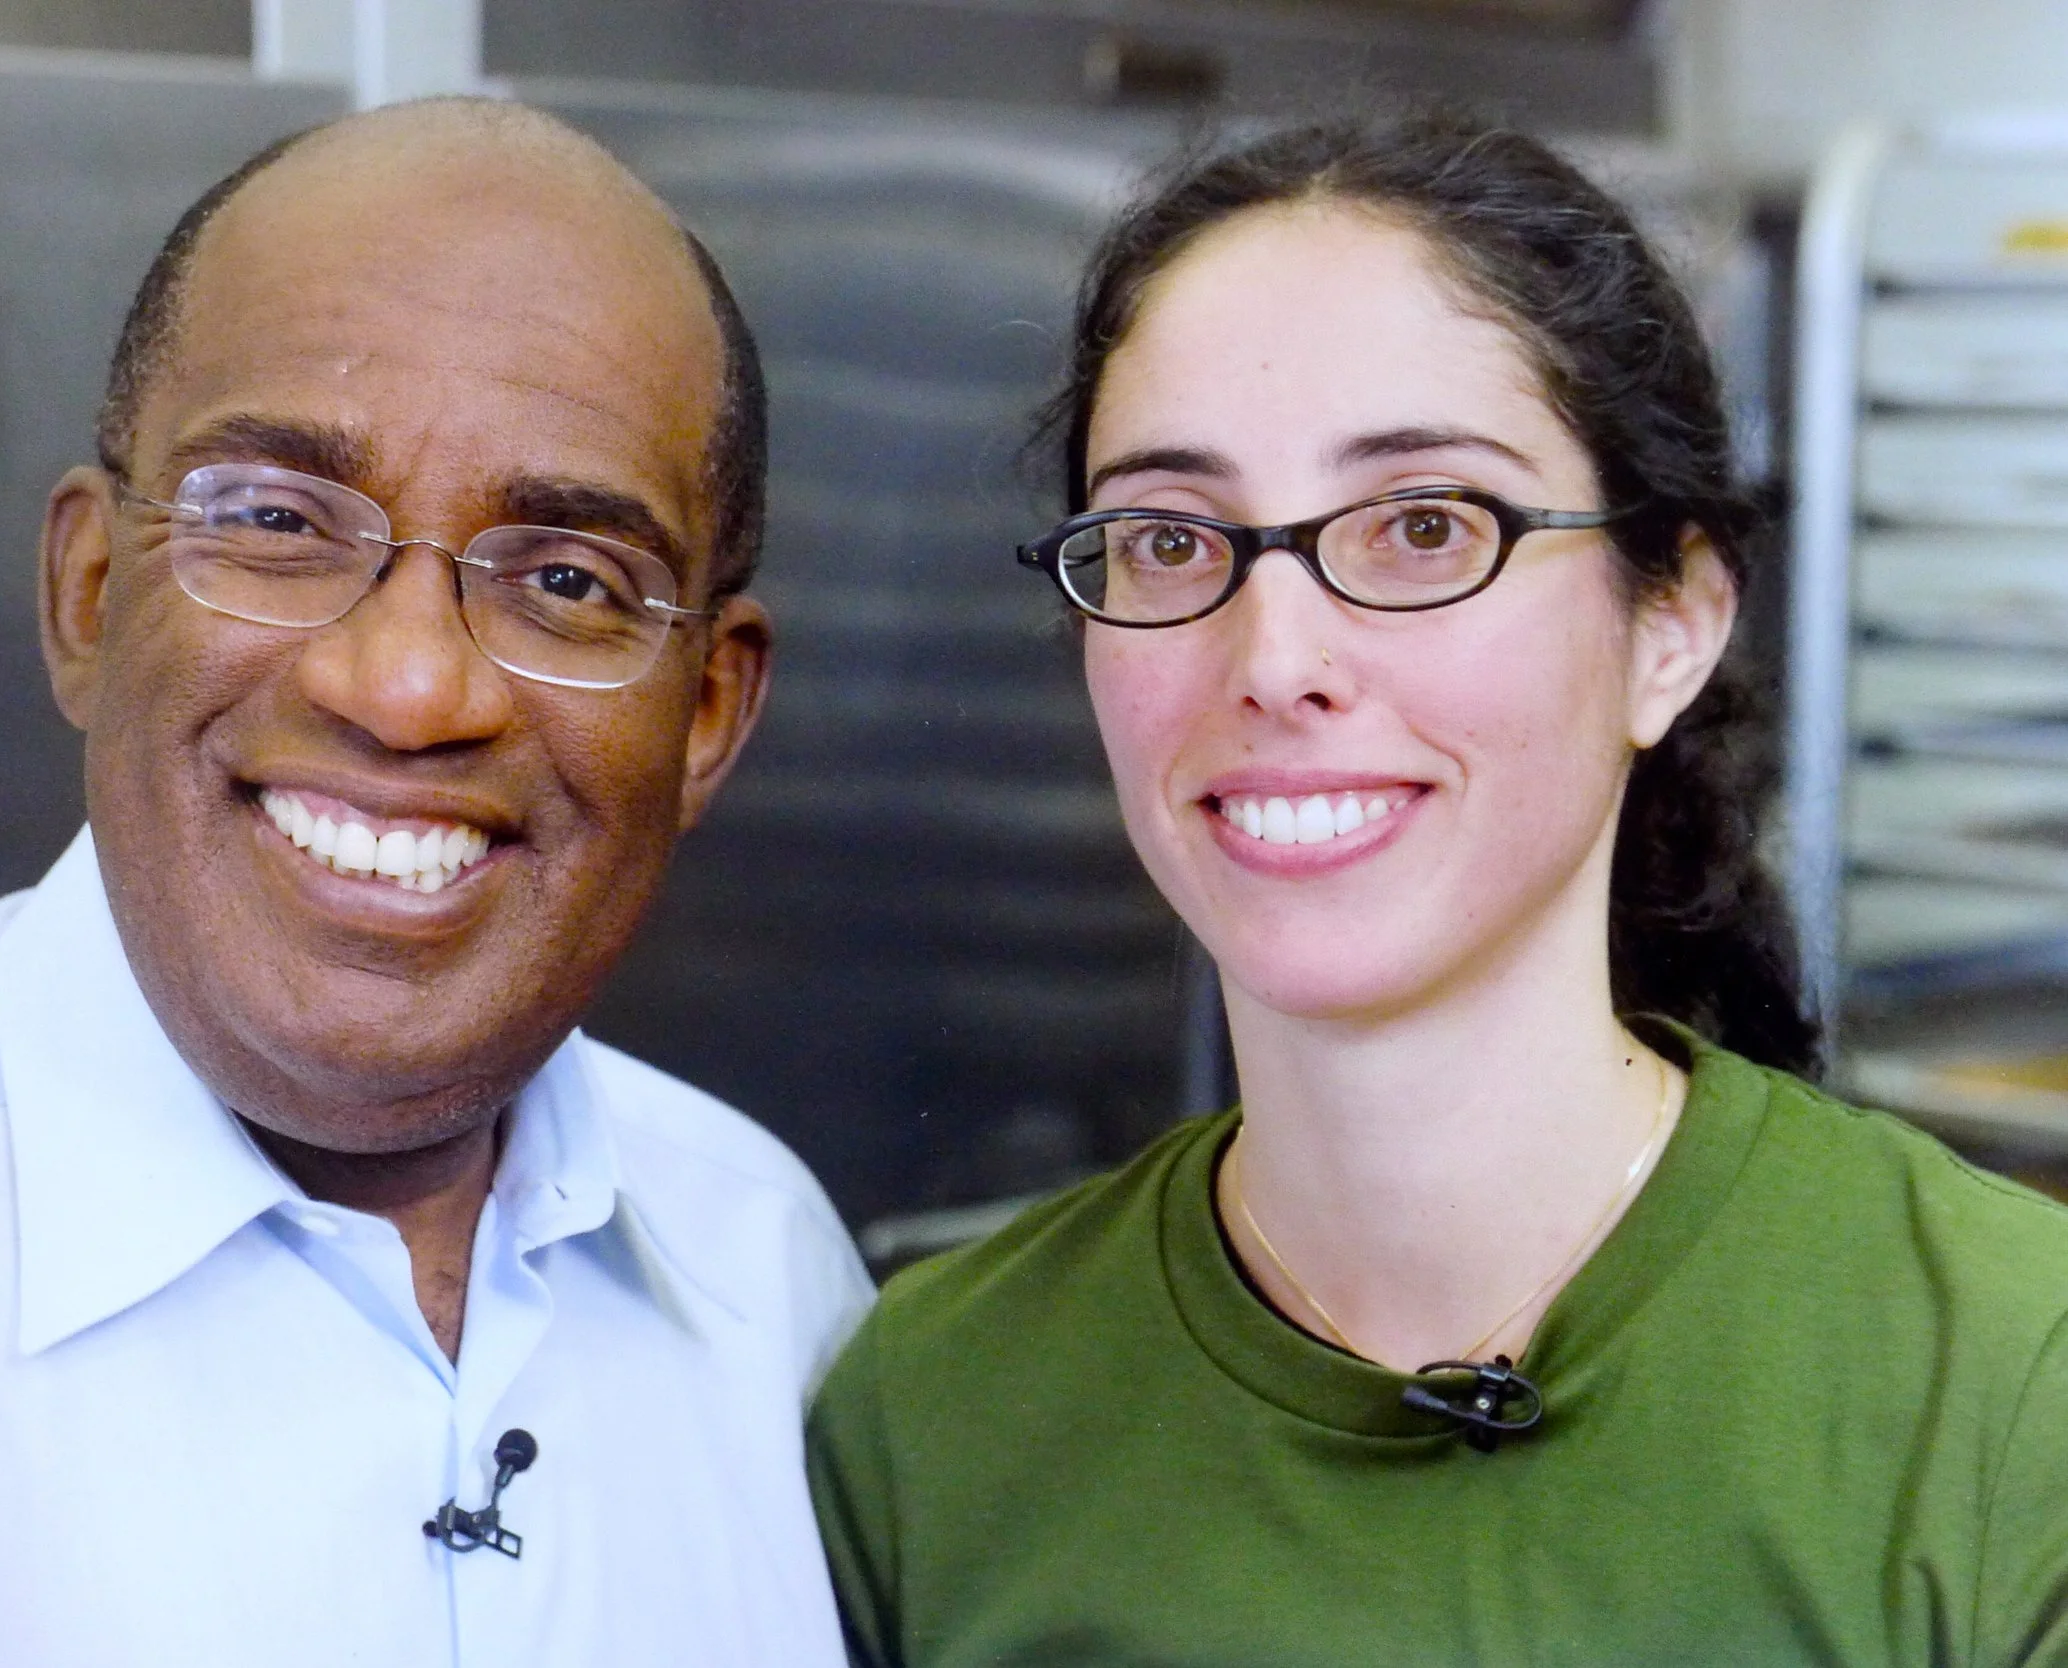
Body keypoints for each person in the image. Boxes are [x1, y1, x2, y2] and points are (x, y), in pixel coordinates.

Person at [0, 99, 871, 1666]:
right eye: (274, 521)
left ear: (711, 717)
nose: (404, 686)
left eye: (569, 581)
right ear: (90, 594)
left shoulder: (767, 1272)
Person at [807, 113, 2068, 1666]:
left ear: (1669, 626)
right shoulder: (928, 1418)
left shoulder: (2012, 1380)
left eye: (1423, 527)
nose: (1274, 661)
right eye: (1170, 540)